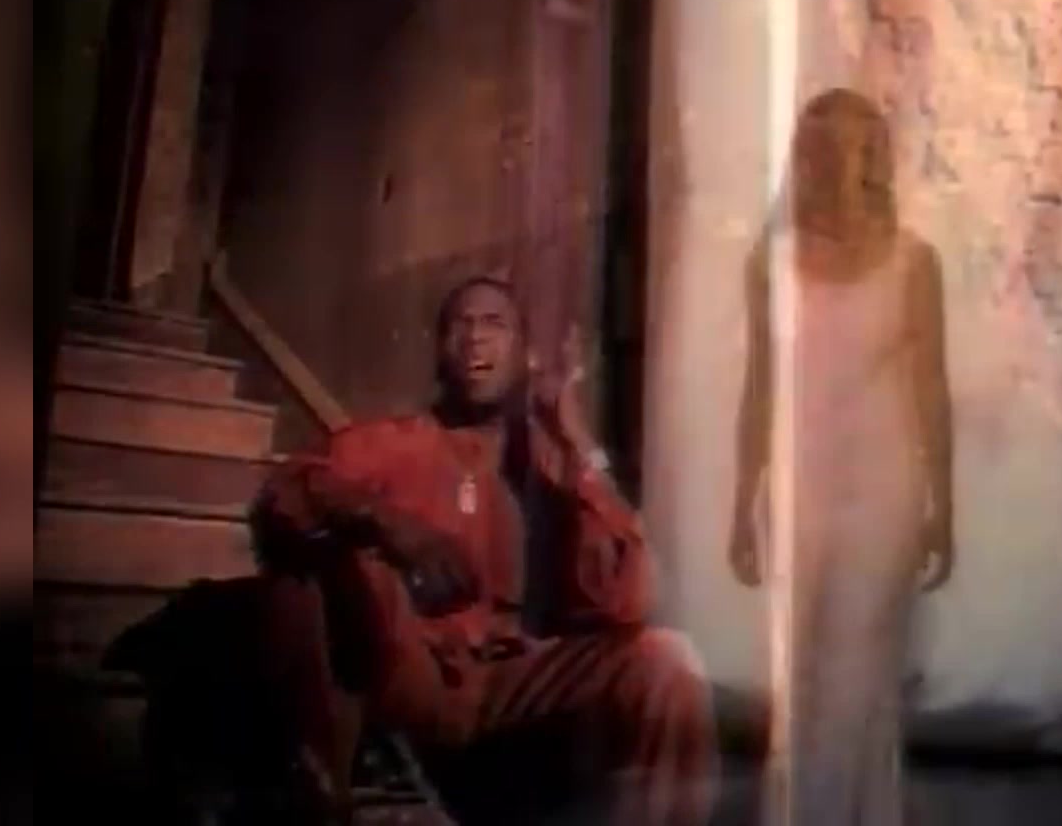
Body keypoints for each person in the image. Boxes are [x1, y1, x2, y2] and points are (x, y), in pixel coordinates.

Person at [252, 275, 718, 825]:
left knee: (666, 662)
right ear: (439, 352)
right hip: (416, 677)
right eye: (461, 324)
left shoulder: (551, 468)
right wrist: (391, 524)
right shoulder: (393, 442)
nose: (475, 337)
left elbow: (629, 600)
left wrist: (577, 444)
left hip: (512, 683)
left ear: (524, 355)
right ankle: (323, 793)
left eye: (494, 324)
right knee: (326, 558)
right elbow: (287, 493)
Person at [730, 88, 955, 825]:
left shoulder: (914, 263)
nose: (839, 164)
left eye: (857, 147)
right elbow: (760, 385)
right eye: (823, 148)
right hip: (800, 485)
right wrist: (741, 502)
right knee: (803, 666)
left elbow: (932, 390)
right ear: (805, 158)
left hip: (884, 487)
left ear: (876, 159)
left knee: (854, 663)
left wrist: (944, 507)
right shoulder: (772, 263)